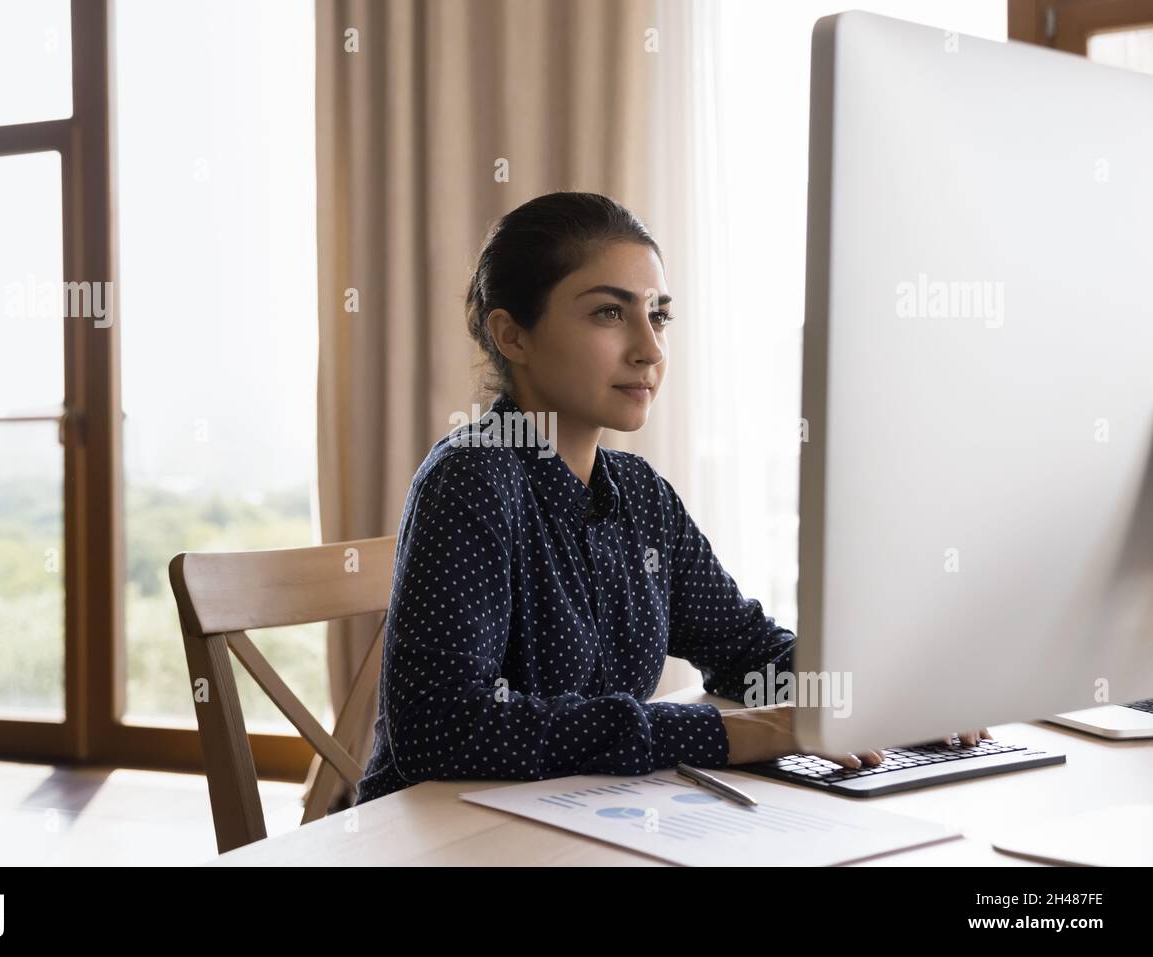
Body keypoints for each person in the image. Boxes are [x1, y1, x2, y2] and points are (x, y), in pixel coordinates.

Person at [355, 191, 989, 804]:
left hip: (583, 827)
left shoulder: (640, 495)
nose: (650, 349)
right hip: (435, 838)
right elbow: (444, 730)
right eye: (610, 312)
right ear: (514, 336)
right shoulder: (471, 478)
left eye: (657, 315)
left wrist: (877, 698)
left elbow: (748, 651)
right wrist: (733, 733)